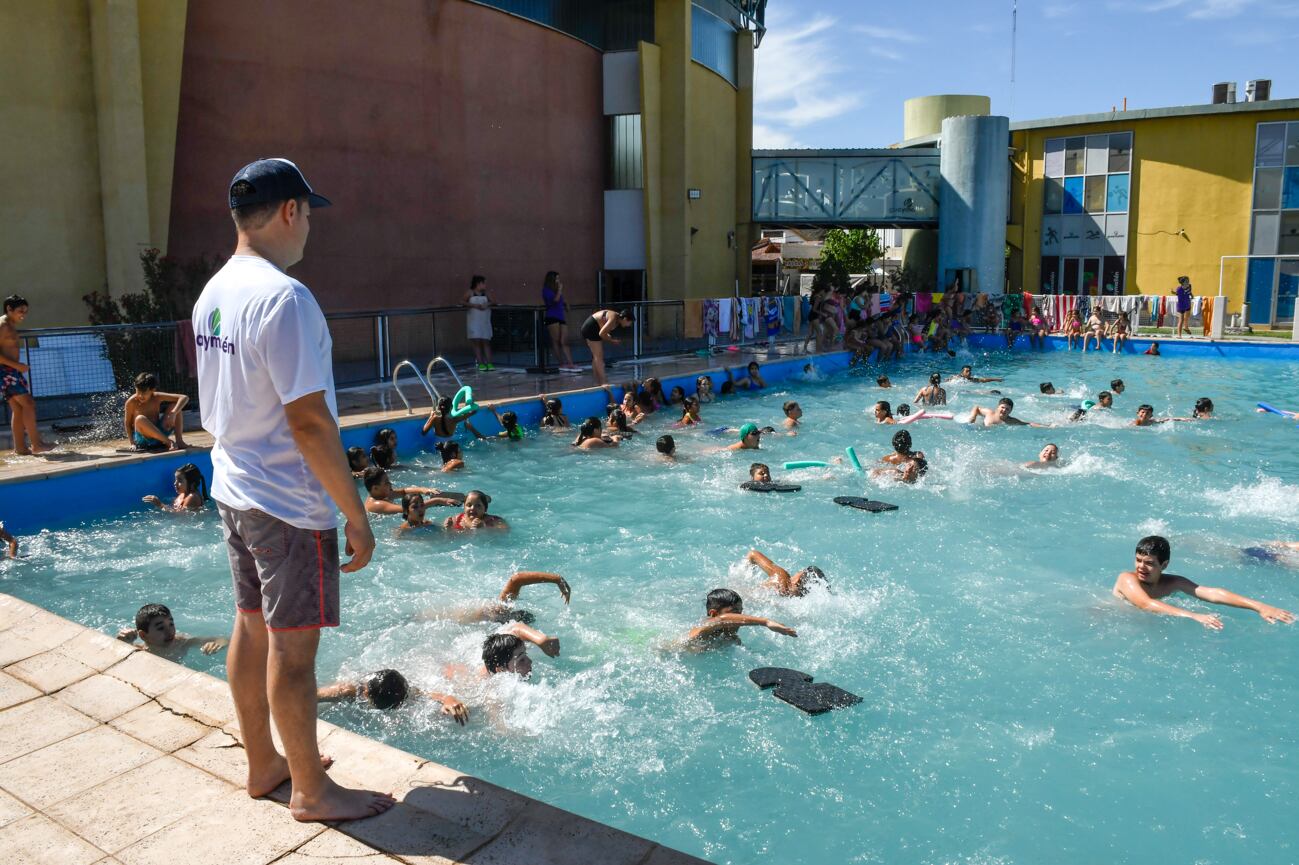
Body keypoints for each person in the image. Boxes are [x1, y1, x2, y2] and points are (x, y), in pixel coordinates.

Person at [192, 158, 394, 820]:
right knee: (294, 649)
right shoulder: (284, 298)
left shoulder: (213, 293)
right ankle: (311, 789)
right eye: (308, 212)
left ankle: (264, 763)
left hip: (234, 485)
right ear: (288, 211)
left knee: (250, 625)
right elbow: (308, 420)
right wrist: (353, 512)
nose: (309, 226)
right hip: (287, 497)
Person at [1112, 535, 1294, 629]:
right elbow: (1145, 604)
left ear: (1164, 564)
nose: (1141, 567)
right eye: (1138, 560)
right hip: (1112, 618)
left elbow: (1211, 593)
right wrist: (1193, 615)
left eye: (1149, 563)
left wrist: (1259, 606)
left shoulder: (1173, 582)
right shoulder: (1127, 579)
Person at [0, 295, 52, 455]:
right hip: (7, 371)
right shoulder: (3, 326)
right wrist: (18, 366)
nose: (23, 314)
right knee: (28, 404)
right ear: (9, 309)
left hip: (9, 371)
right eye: (20, 311)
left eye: (25, 311)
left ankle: (21, 448)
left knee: (18, 409)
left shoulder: (9, 324)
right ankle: (37, 444)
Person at [317, 668, 467, 724]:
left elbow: (434, 695)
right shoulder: (348, 690)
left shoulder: (404, 694)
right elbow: (311, 695)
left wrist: (450, 700)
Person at [684, 588, 797, 648]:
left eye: (741, 613)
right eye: (735, 614)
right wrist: (766, 621)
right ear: (713, 614)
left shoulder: (731, 638)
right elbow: (722, 619)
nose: (739, 620)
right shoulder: (704, 627)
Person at [117, 603, 228, 656]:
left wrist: (215, 644)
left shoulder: (181, 642)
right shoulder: (140, 651)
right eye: (161, 628)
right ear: (143, 636)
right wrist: (121, 642)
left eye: (171, 624)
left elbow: (224, 639)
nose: (170, 631)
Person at [124, 372, 189, 451]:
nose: (140, 396)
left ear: (152, 390)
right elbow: (127, 424)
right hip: (143, 439)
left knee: (175, 406)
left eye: (144, 393)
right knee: (139, 419)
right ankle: (169, 442)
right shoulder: (131, 402)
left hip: (160, 434)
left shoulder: (156, 397)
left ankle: (179, 441)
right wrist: (132, 443)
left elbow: (184, 397)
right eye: (138, 391)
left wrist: (174, 413)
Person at [362, 467, 461, 515]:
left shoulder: (381, 494)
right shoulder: (376, 504)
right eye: (386, 483)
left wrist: (424, 490)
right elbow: (408, 510)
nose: (390, 484)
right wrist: (439, 500)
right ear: (375, 488)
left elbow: (404, 491)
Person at [480, 623, 561, 677]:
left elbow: (515, 628)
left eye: (525, 655)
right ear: (501, 670)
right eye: (521, 660)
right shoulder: (489, 693)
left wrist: (541, 640)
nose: (530, 661)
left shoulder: (508, 646)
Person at [580, 309, 634, 387]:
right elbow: (602, 333)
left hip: (593, 327)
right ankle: (603, 381)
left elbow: (603, 327)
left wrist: (609, 337)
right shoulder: (613, 319)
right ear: (625, 319)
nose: (629, 325)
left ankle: (597, 381)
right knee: (599, 357)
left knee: (597, 356)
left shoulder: (616, 319)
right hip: (590, 328)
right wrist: (612, 340)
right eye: (630, 322)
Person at [541, 271, 579, 372]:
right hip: (552, 317)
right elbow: (555, 300)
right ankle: (561, 363)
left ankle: (570, 363)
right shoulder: (547, 290)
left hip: (560, 317)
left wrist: (566, 303)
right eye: (557, 278)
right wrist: (560, 290)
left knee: (564, 341)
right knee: (556, 341)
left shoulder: (556, 290)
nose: (558, 280)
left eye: (559, 278)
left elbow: (560, 300)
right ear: (551, 279)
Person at [746, 549, 827, 597]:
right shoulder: (781, 579)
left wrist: (749, 574)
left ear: (797, 579)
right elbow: (753, 554)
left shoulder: (781, 577)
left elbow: (753, 554)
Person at [143, 463, 209, 512]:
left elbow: (180, 516)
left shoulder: (192, 497)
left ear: (192, 484)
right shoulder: (183, 494)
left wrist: (160, 505)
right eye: (176, 479)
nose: (175, 483)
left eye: (179, 480)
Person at [463, 275, 494, 372]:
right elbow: (462, 301)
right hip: (474, 320)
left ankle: (489, 363)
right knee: (476, 342)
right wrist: (473, 305)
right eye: (483, 283)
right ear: (478, 284)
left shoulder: (486, 294)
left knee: (486, 341)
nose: (485, 285)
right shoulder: (470, 293)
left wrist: (487, 304)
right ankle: (480, 363)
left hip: (484, 320)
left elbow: (494, 301)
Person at [443, 489, 508, 531]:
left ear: (485, 508)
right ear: (464, 507)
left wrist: (484, 528)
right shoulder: (456, 519)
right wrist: (448, 528)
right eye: (469, 505)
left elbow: (504, 532)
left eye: (478, 506)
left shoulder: (494, 521)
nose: (472, 508)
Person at [967, 397, 1044, 427]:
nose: (1004, 410)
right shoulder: (989, 413)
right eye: (1002, 407)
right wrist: (973, 416)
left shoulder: (1011, 420)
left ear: (1010, 411)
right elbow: (976, 407)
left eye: (1007, 409)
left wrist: (1046, 426)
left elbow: (1028, 424)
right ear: (998, 407)